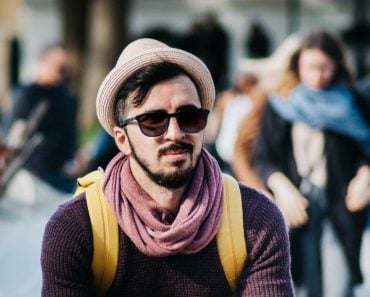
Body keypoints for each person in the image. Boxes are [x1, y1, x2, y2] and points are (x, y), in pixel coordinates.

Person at [41, 38, 294, 296]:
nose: (175, 133)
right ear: (121, 139)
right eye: (153, 120)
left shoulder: (255, 219)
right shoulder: (76, 227)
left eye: (189, 116)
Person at [253, 31, 370, 297]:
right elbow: (263, 156)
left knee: (337, 289)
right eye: (310, 67)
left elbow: (367, 149)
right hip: (294, 211)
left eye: (325, 67)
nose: (318, 75)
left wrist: (366, 175)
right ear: (298, 67)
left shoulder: (354, 102)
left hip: (340, 210)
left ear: (337, 65)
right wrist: (281, 186)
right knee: (295, 286)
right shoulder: (281, 103)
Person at [7, 44, 78, 193]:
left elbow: (70, 132)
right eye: (58, 66)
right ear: (43, 64)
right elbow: (15, 133)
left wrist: (72, 160)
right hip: (31, 174)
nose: (62, 72)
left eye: (65, 68)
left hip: (60, 174)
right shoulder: (26, 94)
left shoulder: (66, 96)